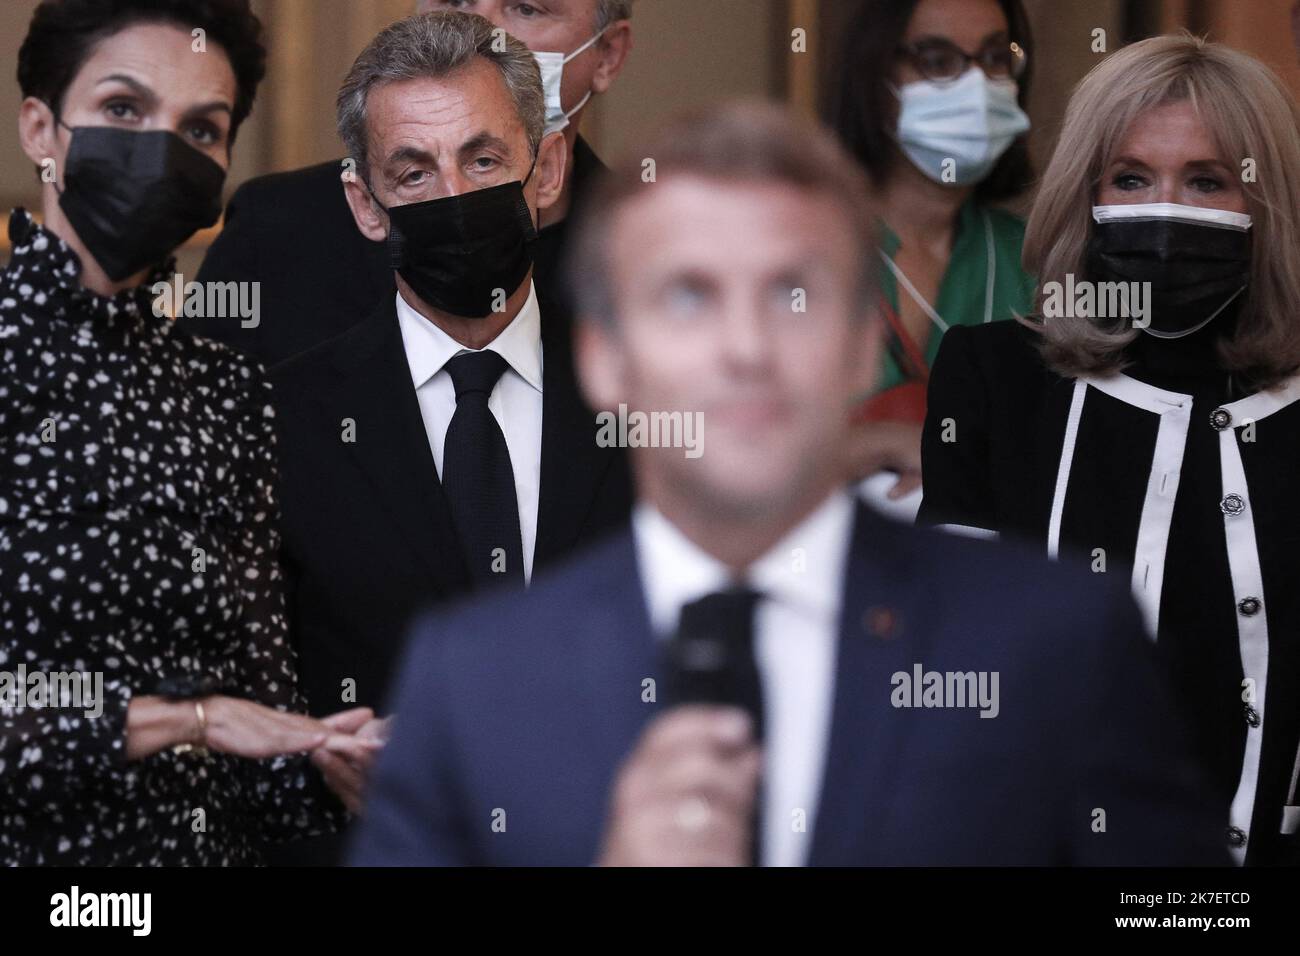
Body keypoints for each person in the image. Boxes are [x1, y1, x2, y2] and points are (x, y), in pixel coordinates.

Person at [350, 101, 1224, 867]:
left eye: (791, 295)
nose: (746, 349)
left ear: (856, 347)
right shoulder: (474, 678)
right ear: (604, 358)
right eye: (689, 297)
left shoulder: (1058, 644)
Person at [1, 0, 376, 866]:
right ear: (40, 128)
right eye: (125, 110)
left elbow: (258, 713)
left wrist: (331, 756)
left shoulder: (228, 389)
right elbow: (218, 718)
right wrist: (186, 720)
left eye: (201, 128)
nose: (163, 148)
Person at [920, 34, 1300, 866]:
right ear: (1084, 195)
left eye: (1207, 181)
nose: (1165, 209)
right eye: (1131, 178)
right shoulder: (993, 379)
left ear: (1263, 203)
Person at [268, 12, 631, 860]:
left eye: (483, 159)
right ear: (366, 203)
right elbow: (253, 702)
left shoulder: (650, 400)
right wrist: (329, 757)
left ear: (547, 171)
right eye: (414, 171)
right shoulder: (284, 419)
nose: (457, 197)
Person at [182, 0, 633, 365]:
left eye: (526, 8)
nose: (479, 27)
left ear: (608, 54)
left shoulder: (648, 248)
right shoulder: (280, 228)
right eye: (453, 0)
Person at [825, 0, 1036, 513]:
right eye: (938, 61)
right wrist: (864, 446)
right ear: (875, 74)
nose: (977, 86)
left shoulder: (1042, 259)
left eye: (994, 58)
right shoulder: (788, 247)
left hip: (988, 575)